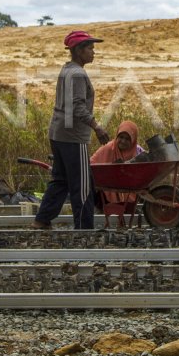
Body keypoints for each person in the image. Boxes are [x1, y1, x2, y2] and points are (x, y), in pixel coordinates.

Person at [34, 31, 111, 230]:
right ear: (78, 51)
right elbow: (77, 106)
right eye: (90, 48)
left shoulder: (67, 69)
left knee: (60, 180)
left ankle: (42, 219)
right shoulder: (77, 73)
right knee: (82, 185)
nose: (93, 52)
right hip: (72, 137)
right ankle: (84, 229)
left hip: (58, 133)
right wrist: (97, 127)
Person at [91, 120, 145, 225]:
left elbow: (148, 167)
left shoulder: (138, 152)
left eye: (127, 139)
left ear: (133, 140)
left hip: (130, 194)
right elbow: (92, 164)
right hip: (106, 194)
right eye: (121, 137)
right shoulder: (107, 148)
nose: (123, 141)